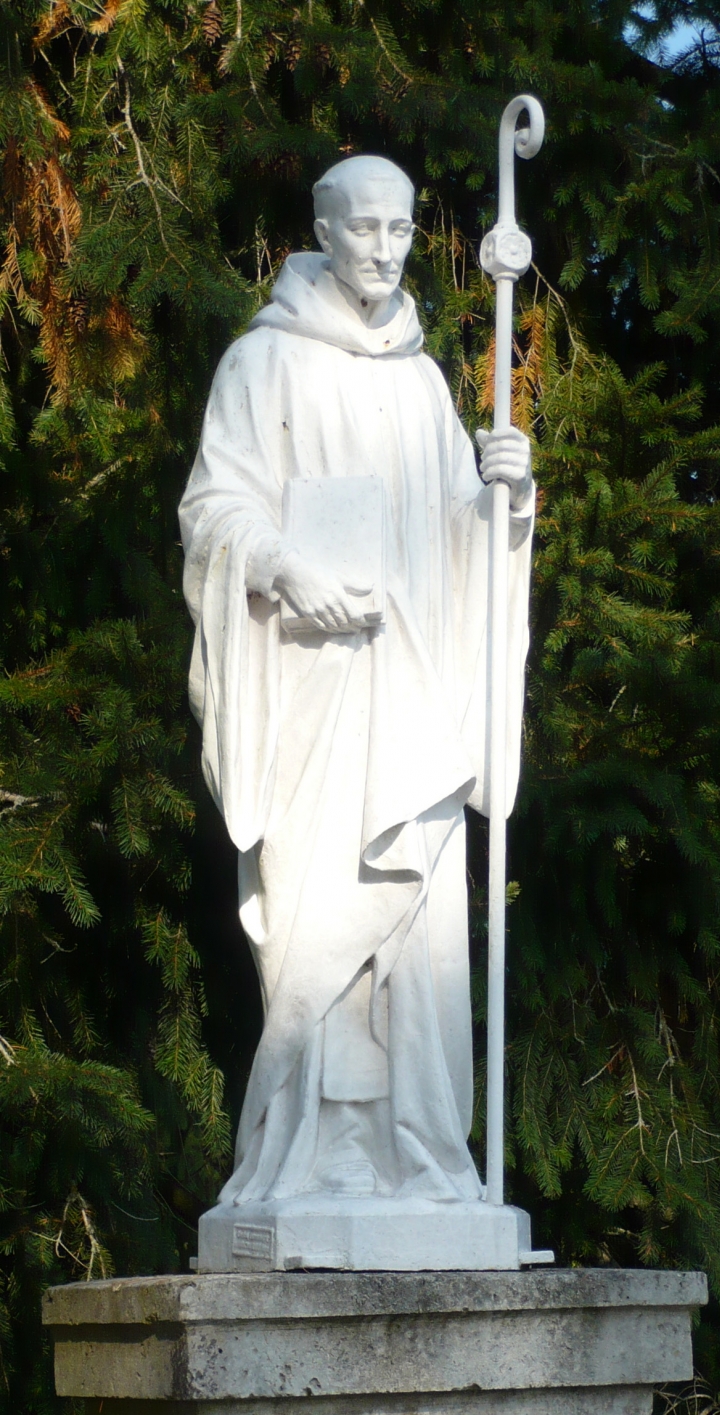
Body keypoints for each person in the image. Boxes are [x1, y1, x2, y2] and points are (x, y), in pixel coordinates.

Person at [179, 155, 534, 1209]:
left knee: (417, 932)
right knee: (314, 925)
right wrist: (287, 571)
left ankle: (416, 1159)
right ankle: (305, 1158)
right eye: (363, 230)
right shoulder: (262, 366)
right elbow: (213, 512)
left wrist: (502, 504)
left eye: (401, 231)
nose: (382, 251)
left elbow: (455, 550)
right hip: (315, 697)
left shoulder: (425, 382)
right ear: (322, 234)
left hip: (413, 700)